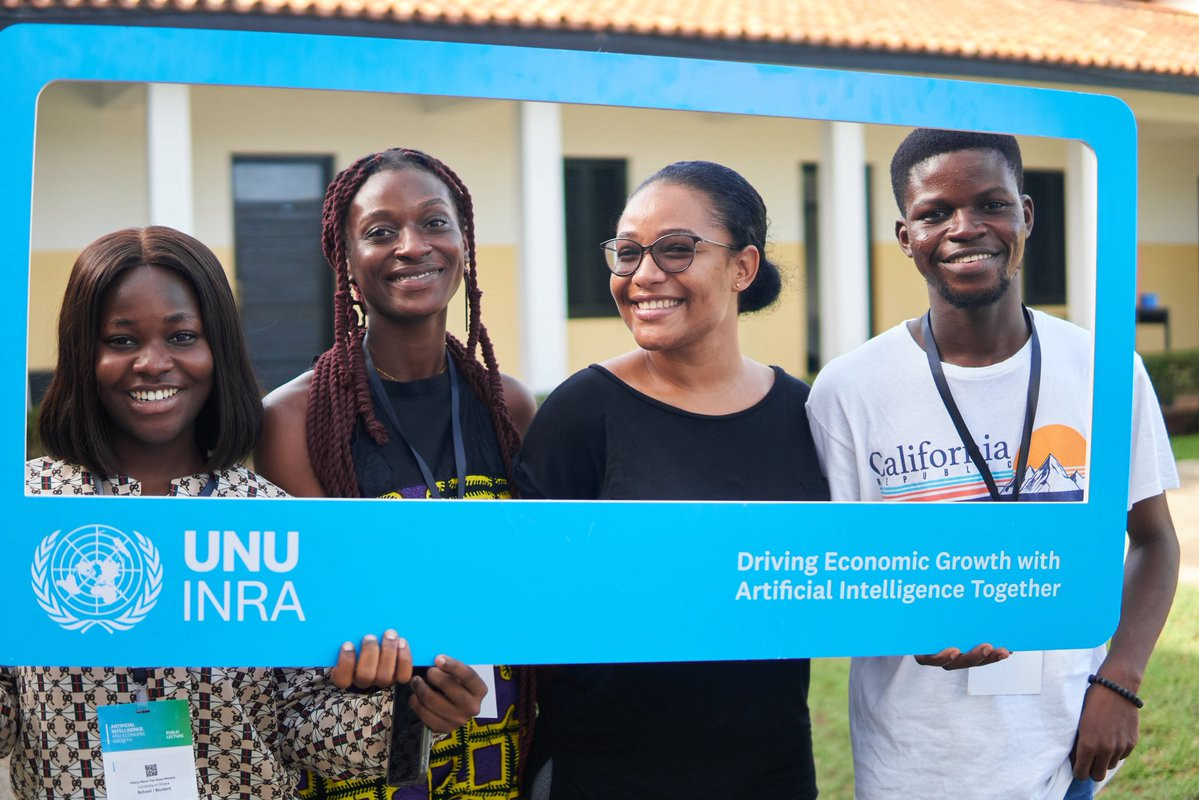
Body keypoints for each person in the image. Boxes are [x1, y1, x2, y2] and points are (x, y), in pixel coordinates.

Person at [805, 129, 1181, 799]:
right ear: (905, 236)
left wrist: (1120, 680)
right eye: (935, 213)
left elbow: (1153, 540)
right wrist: (905, 627)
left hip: (1065, 752)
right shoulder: (848, 390)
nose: (964, 228)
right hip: (913, 762)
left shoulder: (1104, 372)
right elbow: (832, 572)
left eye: (990, 204)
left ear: (1025, 215)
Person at [9, 226, 423, 798]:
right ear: (83, 354)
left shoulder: (267, 517)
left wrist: (407, 704)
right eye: (121, 340)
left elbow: (300, 726)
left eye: (182, 336)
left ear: (217, 349)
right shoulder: (29, 511)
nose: (153, 363)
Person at [513, 160, 828, 800]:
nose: (644, 274)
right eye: (628, 253)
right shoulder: (583, 412)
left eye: (676, 249)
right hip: (606, 775)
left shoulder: (805, 414)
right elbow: (529, 602)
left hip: (770, 773)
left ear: (743, 267)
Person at [255, 148, 536, 800]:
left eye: (435, 223)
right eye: (381, 231)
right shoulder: (293, 420)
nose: (413, 246)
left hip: (497, 740)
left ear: (463, 242)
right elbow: (312, 610)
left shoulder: (509, 408)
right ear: (346, 260)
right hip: (366, 749)